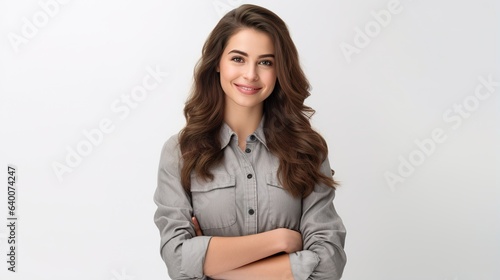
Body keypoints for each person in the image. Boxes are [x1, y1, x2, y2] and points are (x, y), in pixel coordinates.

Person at [153, 4, 347, 279]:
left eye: (266, 62)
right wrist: (280, 240)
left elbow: (328, 265)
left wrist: (215, 268)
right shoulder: (180, 153)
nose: (251, 74)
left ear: (280, 70)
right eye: (238, 59)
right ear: (217, 64)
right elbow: (178, 262)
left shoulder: (307, 150)